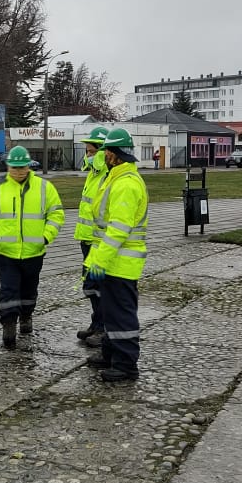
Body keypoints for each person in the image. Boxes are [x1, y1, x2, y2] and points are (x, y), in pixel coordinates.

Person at [0, 145, 65, 349]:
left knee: (29, 290)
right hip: (5, 252)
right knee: (8, 290)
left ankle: (26, 316)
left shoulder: (44, 188)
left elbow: (56, 214)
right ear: (8, 166)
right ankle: (8, 325)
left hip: (34, 252)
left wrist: (46, 237)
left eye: (22, 168)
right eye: (14, 168)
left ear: (29, 167)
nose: (18, 172)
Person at [84, 127, 149, 382]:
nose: (102, 156)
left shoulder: (125, 184)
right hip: (113, 262)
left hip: (120, 263)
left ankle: (125, 365)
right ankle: (111, 354)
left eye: (105, 151)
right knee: (111, 314)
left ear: (114, 154)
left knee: (121, 315)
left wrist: (100, 260)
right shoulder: (116, 178)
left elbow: (118, 229)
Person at [73, 127, 110, 347]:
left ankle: (103, 329)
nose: (87, 155)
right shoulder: (94, 174)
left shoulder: (104, 172)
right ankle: (96, 324)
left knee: (99, 286)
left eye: (90, 151)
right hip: (89, 239)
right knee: (91, 286)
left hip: (100, 242)